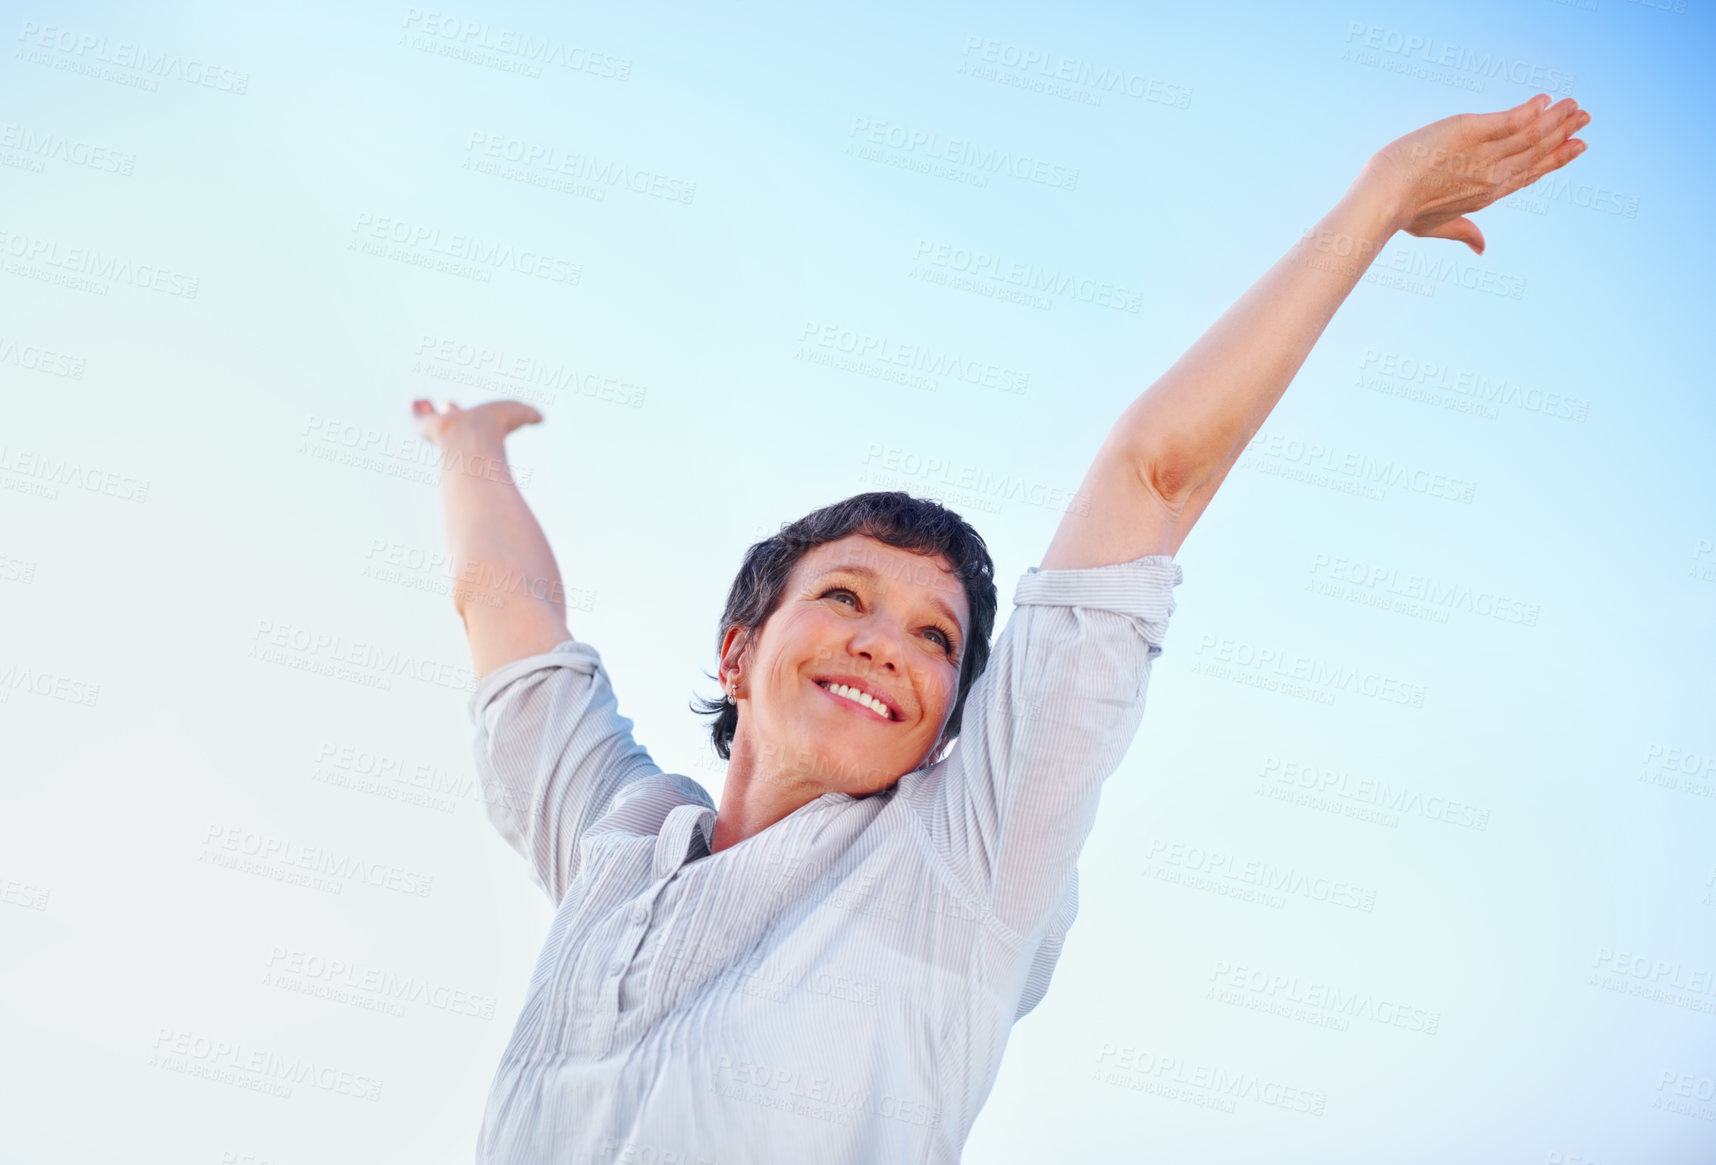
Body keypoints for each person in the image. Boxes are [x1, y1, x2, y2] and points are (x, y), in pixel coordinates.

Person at [410, 94, 1590, 1163]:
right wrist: (468, 451)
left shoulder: (961, 861)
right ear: (738, 649)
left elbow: (1156, 474)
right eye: (845, 596)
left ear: (944, 729)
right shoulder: (617, 836)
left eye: (937, 639)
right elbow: (505, 609)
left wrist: (1375, 204)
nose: (889, 641)